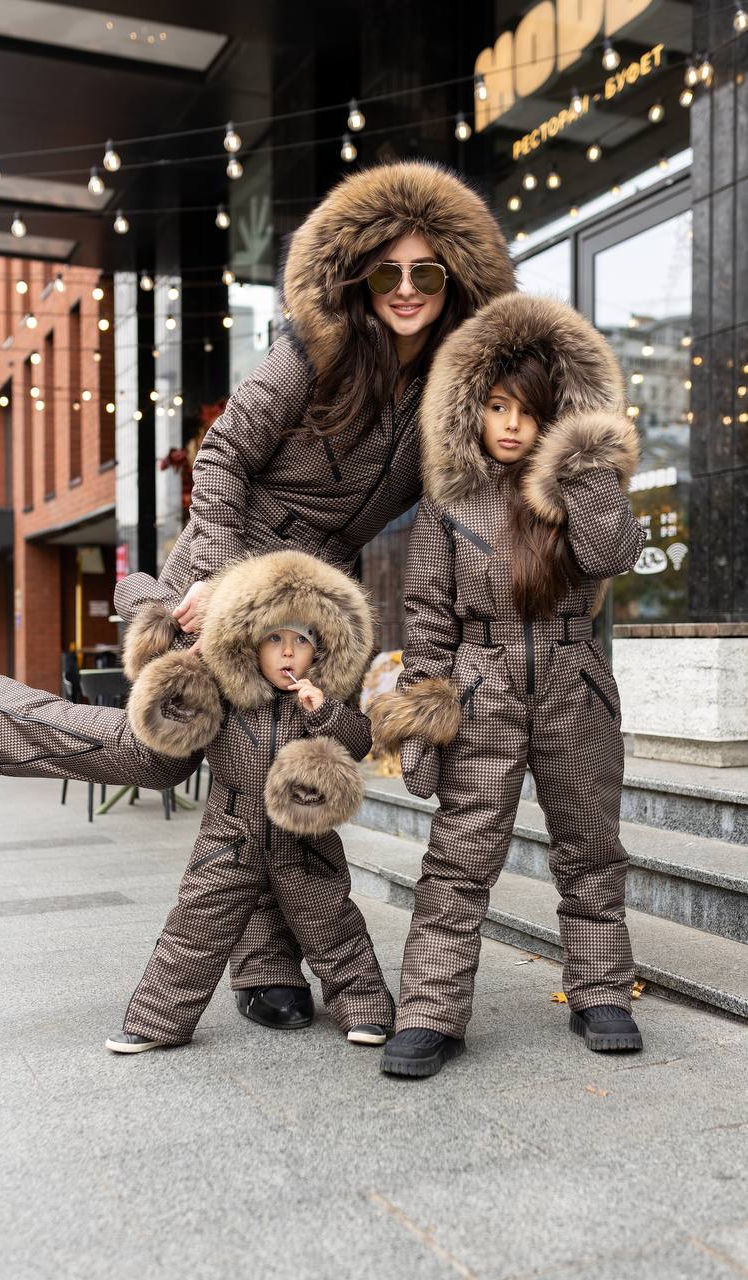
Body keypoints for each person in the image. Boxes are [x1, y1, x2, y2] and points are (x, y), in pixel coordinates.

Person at [0, 159, 514, 1033]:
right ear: (357, 277)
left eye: (424, 274)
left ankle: (267, 966)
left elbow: (469, 498)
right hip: (230, 562)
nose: (403, 289)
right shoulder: (313, 347)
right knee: (168, 750)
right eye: (384, 272)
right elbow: (223, 457)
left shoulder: (448, 396)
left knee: (275, 760)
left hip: (320, 598)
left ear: (454, 281)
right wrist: (221, 580)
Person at [371, 293, 646, 1078]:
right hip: (480, 686)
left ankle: (600, 994)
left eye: (528, 410)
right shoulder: (449, 500)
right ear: (472, 409)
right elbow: (427, 614)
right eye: (496, 406)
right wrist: (423, 711)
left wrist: (584, 462)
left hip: (573, 682)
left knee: (590, 850)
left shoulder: (579, 489)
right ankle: (430, 1013)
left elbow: (613, 553)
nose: (511, 424)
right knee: (458, 858)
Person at [104, 548, 395, 1053]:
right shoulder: (224, 690)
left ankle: (366, 1009)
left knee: (334, 925)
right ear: (249, 645)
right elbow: (169, 719)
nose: (287, 654)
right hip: (229, 834)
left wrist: (324, 713)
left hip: (305, 839)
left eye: (301, 641)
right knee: (195, 926)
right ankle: (155, 1022)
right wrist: (187, 665)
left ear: (319, 650)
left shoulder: (321, 700)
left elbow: (358, 741)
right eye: (274, 640)